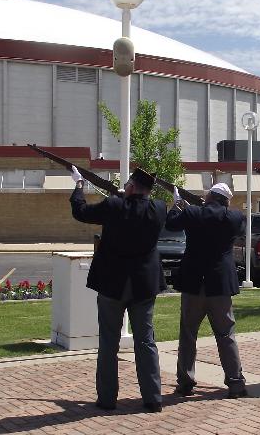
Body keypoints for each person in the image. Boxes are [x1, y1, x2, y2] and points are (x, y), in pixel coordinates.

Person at [70, 165, 166, 413]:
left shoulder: (113, 205)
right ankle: (153, 397)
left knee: (109, 342)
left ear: (132, 186)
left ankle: (107, 398)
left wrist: (79, 186)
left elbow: (81, 212)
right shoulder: (159, 208)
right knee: (146, 341)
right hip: (144, 285)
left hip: (113, 283)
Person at [165, 182, 247, 398]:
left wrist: (177, 205)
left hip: (193, 283)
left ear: (210, 195)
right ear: (226, 200)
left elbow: (172, 223)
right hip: (220, 285)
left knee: (188, 335)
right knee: (226, 334)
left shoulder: (192, 213)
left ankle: (185, 382)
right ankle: (236, 382)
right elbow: (236, 226)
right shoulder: (235, 217)